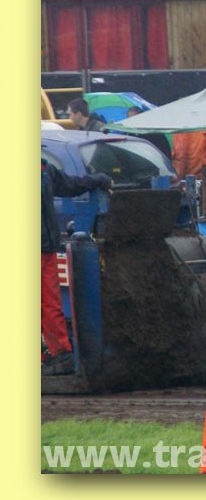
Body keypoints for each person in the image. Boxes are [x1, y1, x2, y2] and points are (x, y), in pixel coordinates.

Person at [41, 158, 112, 375]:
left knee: (49, 304)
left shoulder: (44, 169)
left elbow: (69, 185)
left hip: (45, 249)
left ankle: (60, 355)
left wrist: (94, 180)